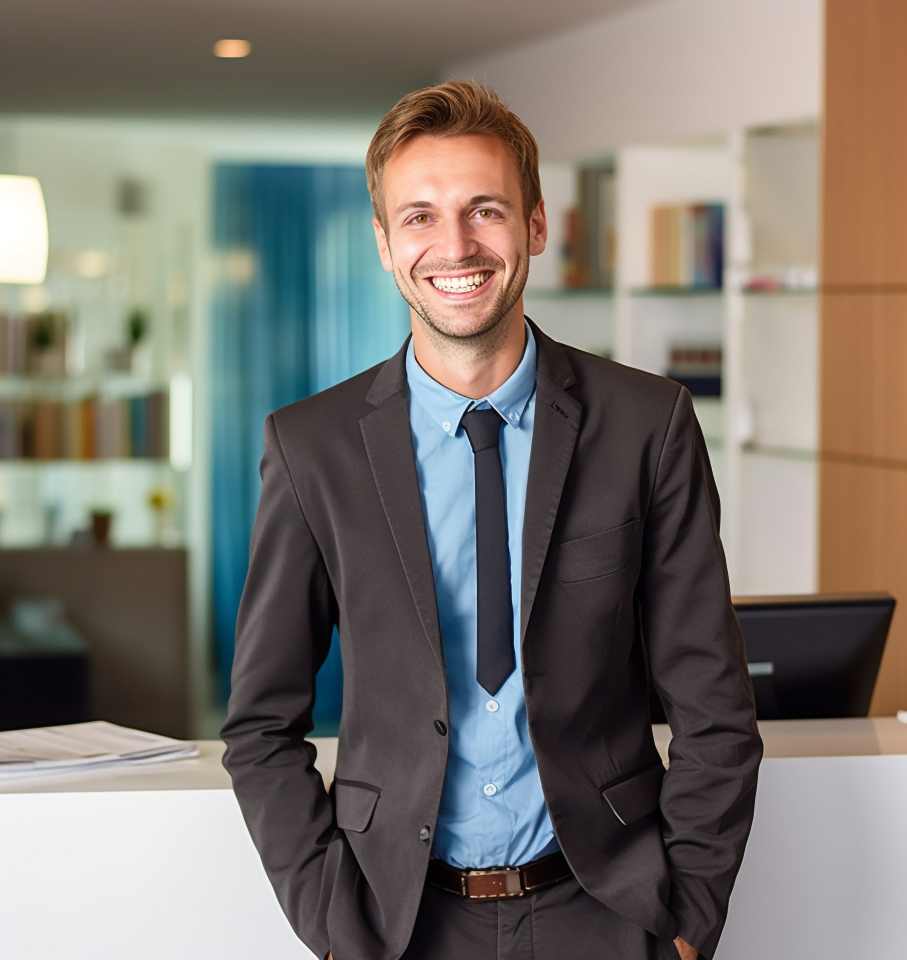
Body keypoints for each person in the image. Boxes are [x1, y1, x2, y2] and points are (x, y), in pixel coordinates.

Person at [221, 80, 762, 960]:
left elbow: (714, 706)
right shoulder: (310, 447)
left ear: (537, 226)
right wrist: (337, 927)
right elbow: (258, 726)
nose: (456, 245)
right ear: (386, 246)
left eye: (485, 210)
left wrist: (687, 919)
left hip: (609, 912)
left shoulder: (646, 425)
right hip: (399, 923)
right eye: (420, 217)